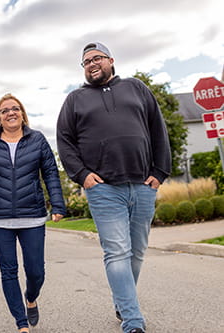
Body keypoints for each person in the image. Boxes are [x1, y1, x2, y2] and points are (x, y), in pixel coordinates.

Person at [56, 42, 172, 333]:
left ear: (111, 60)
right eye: (85, 62)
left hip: (143, 184)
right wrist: (82, 175)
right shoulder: (75, 100)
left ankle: (123, 303)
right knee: (117, 252)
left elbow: (158, 129)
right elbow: (65, 142)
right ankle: (133, 321)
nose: (91, 64)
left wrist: (160, 171)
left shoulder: (137, 88)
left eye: (96, 58)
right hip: (104, 189)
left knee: (137, 252)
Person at [0, 93, 66, 333]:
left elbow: (51, 173)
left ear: (22, 113)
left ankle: (31, 298)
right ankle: (21, 323)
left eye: (15, 108)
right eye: (5, 110)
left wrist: (58, 204)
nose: (11, 113)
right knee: (8, 271)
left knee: (36, 271)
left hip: (32, 215)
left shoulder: (38, 139)